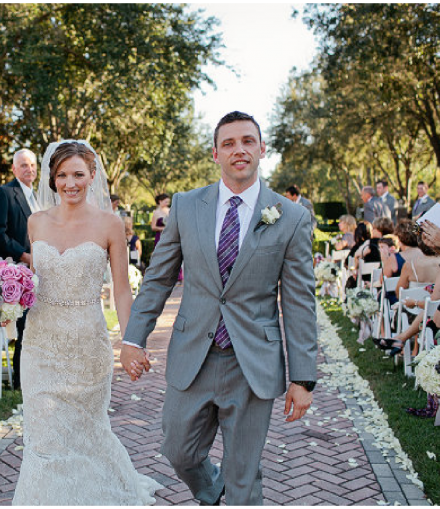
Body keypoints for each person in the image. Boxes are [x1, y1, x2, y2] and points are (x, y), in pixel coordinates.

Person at [122, 111, 317, 506]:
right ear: (215, 153)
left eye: (247, 141)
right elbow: (158, 277)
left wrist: (304, 377)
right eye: (228, 143)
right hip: (193, 354)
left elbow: (299, 301)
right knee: (178, 451)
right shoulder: (186, 205)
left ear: (262, 149)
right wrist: (132, 338)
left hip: (253, 364)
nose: (238, 150)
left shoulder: (291, 216)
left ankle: (238, 491)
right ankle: (214, 490)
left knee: (244, 476)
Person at [12, 140, 161, 505]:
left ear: (93, 176)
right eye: (62, 175)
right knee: (43, 438)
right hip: (39, 346)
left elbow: (123, 291)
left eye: (78, 174)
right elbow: (32, 282)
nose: (70, 183)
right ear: (52, 179)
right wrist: (5, 294)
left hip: (87, 348)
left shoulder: (110, 224)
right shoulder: (36, 222)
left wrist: (131, 342)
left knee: (87, 434)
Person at [0, 149, 39, 391]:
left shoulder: (37, 197)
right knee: (24, 329)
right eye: (24, 165)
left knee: (38, 326)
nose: (29, 168)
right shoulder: (4, 193)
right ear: (14, 169)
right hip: (17, 270)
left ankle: (36, 374)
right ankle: (20, 382)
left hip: (39, 271)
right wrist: (25, 255)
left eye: (32, 164)